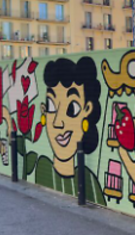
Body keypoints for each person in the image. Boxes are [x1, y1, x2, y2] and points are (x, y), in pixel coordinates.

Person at [36, 57, 106, 205]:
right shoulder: (38, 165)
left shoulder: (91, 183)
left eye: (72, 108)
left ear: (87, 110)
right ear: (44, 110)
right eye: (51, 106)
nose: (57, 122)